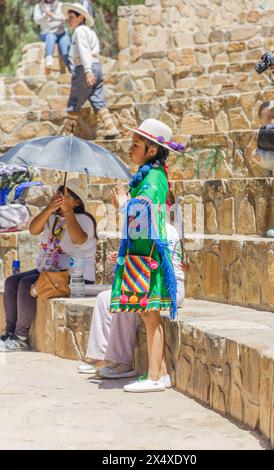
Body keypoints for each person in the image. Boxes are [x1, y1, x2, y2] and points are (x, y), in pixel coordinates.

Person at [104, 118, 185, 393]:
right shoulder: (148, 176)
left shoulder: (153, 179)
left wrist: (121, 205)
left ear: (151, 151)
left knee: (152, 316)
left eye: (135, 144)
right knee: (149, 315)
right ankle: (158, 373)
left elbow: (142, 215)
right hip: (143, 254)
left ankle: (155, 377)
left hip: (149, 255)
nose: (130, 148)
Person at [77, 219, 185, 379]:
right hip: (147, 283)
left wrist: (125, 259)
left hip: (167, 289)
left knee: (128, 299)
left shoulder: (165, 231)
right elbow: (138, 262)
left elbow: (154, 264)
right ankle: (100, 357)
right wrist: (121, 259)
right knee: (103, 298)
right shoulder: (143, 228)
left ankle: (122, 362)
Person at [0, 178, 97, 352]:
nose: (60, 197)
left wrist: (68, 214)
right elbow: (33, 229)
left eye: (66, 195)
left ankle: (21, 337)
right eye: (59, 193)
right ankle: (9, 333)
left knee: (26, 285)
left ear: (76, 202)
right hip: (49, 271)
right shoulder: (52, 217)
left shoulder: (84, 220)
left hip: (74, 277)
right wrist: (49, 208)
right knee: (11, 282)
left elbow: (78, 240)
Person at [61, 3, 119, 139]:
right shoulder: (90, 32)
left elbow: (84, 50)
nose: (68, 20)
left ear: (80, 18)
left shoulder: (79, 31)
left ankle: (67, 134)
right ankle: (111, 128)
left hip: (84, 67)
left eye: (71, 17)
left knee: (74, 101)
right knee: (98, 99)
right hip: (97, 66)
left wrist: (87, 70)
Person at [33, 0, 71, 70]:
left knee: (66, 53)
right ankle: (49, 58)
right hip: (46, 33)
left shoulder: (61, 5)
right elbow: (37, 21)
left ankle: (72, 70)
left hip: (61, 33)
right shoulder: (38, 7)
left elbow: (64, 18)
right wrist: (45, 15)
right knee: (50, 36)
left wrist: (52, 15)